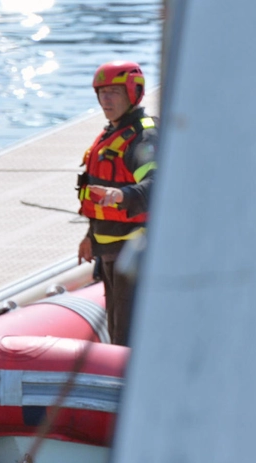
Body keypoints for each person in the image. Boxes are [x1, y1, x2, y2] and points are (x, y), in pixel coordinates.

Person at [76, 60, 155, 346]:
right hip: (109, 249)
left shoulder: (143, 137)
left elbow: (156, 183)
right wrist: (89, 236)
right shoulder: (111, 134)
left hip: (135, 252)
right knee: (115, 328)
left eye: (114, 92)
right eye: (102, 92)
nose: (106, 99)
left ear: (133, 94)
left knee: (125, 335)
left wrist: (124, 195)